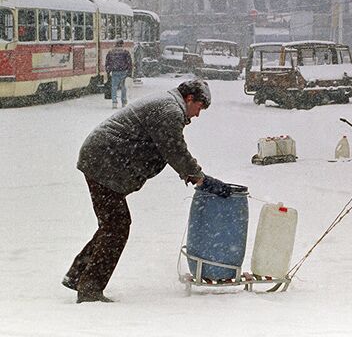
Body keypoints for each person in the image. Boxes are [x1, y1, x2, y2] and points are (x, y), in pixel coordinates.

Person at [62, 79, 232, 303]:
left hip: (103, 160)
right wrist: (200, 178)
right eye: (199, 107)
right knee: (117, 227)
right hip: (103, 163)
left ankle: (79, 276)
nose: (197, 115)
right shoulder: (169, 109)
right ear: (190, 99)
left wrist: (195, 176)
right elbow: (174, 149)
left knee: (112, 225)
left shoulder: (167, 104)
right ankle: (90, 288)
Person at [105, 39, 132, 108]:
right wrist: (129, 72)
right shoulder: (125, 52)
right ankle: (123, 102)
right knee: (123, 87)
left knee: (114, 87)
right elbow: (129, 63)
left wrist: (108, 71)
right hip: (123, 72)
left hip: (114, 72)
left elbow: (107, 62)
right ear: (122, 44)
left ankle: (114, 102)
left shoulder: (111, 52)